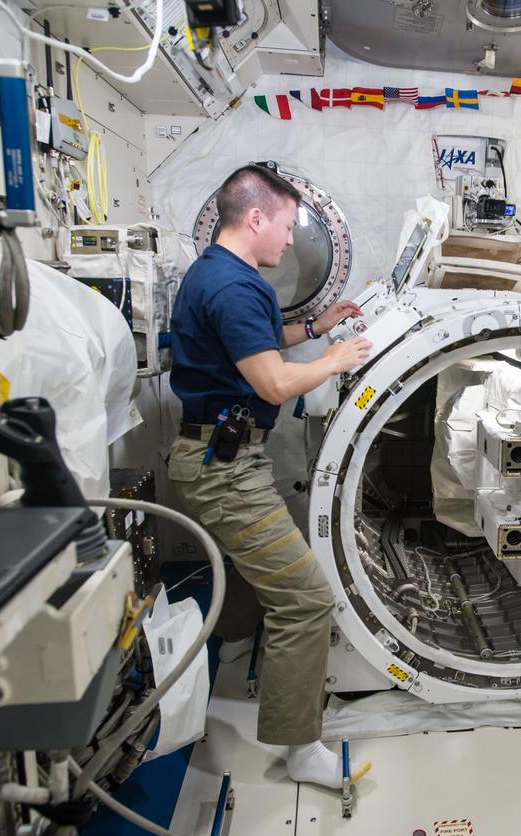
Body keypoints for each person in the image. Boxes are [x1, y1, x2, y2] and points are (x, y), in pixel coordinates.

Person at [167, 164, 372, 789]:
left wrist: (315, 328)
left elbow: (256, 341)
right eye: (285, 226)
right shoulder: (233, 285)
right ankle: (299, 747)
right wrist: (334, 360)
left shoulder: (221, 273)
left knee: (259, 563)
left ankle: (231, 648)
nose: (289, 241)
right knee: (306, 600)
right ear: (255, 218)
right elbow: (272, 381)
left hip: (223, 458)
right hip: (224, 469)